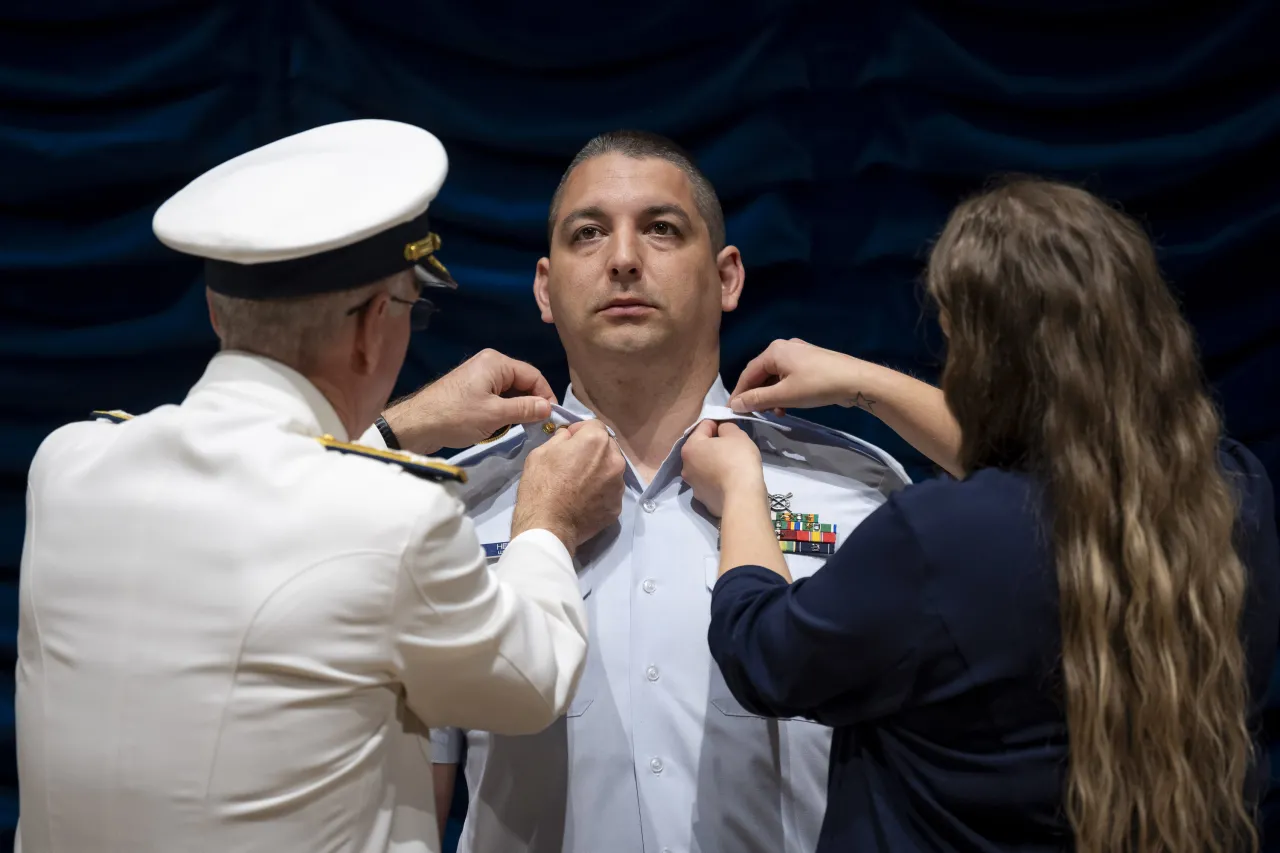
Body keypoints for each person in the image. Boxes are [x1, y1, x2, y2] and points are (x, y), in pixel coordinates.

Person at [13, 119, 625, 853]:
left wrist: (395, 429)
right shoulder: (398, 521)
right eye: (409, 309)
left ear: (216, 311)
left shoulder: (68, 466)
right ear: (372, 326)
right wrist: (548, 521)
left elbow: (270, 498)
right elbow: (530, 681)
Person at [682, 178, 1280, 852]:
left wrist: (739, 490)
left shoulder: (939, 538)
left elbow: (762, 652)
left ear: (989, 361)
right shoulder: (1237, 498)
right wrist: (865, 385)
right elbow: (1072, 465)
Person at [368, 129, 912, 853]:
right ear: (544, 286)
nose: (623, 259)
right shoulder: (454, 506)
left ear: (727, 278)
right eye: (588, 234)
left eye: (660, 229)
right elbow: (412, 809)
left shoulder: (855, 491)